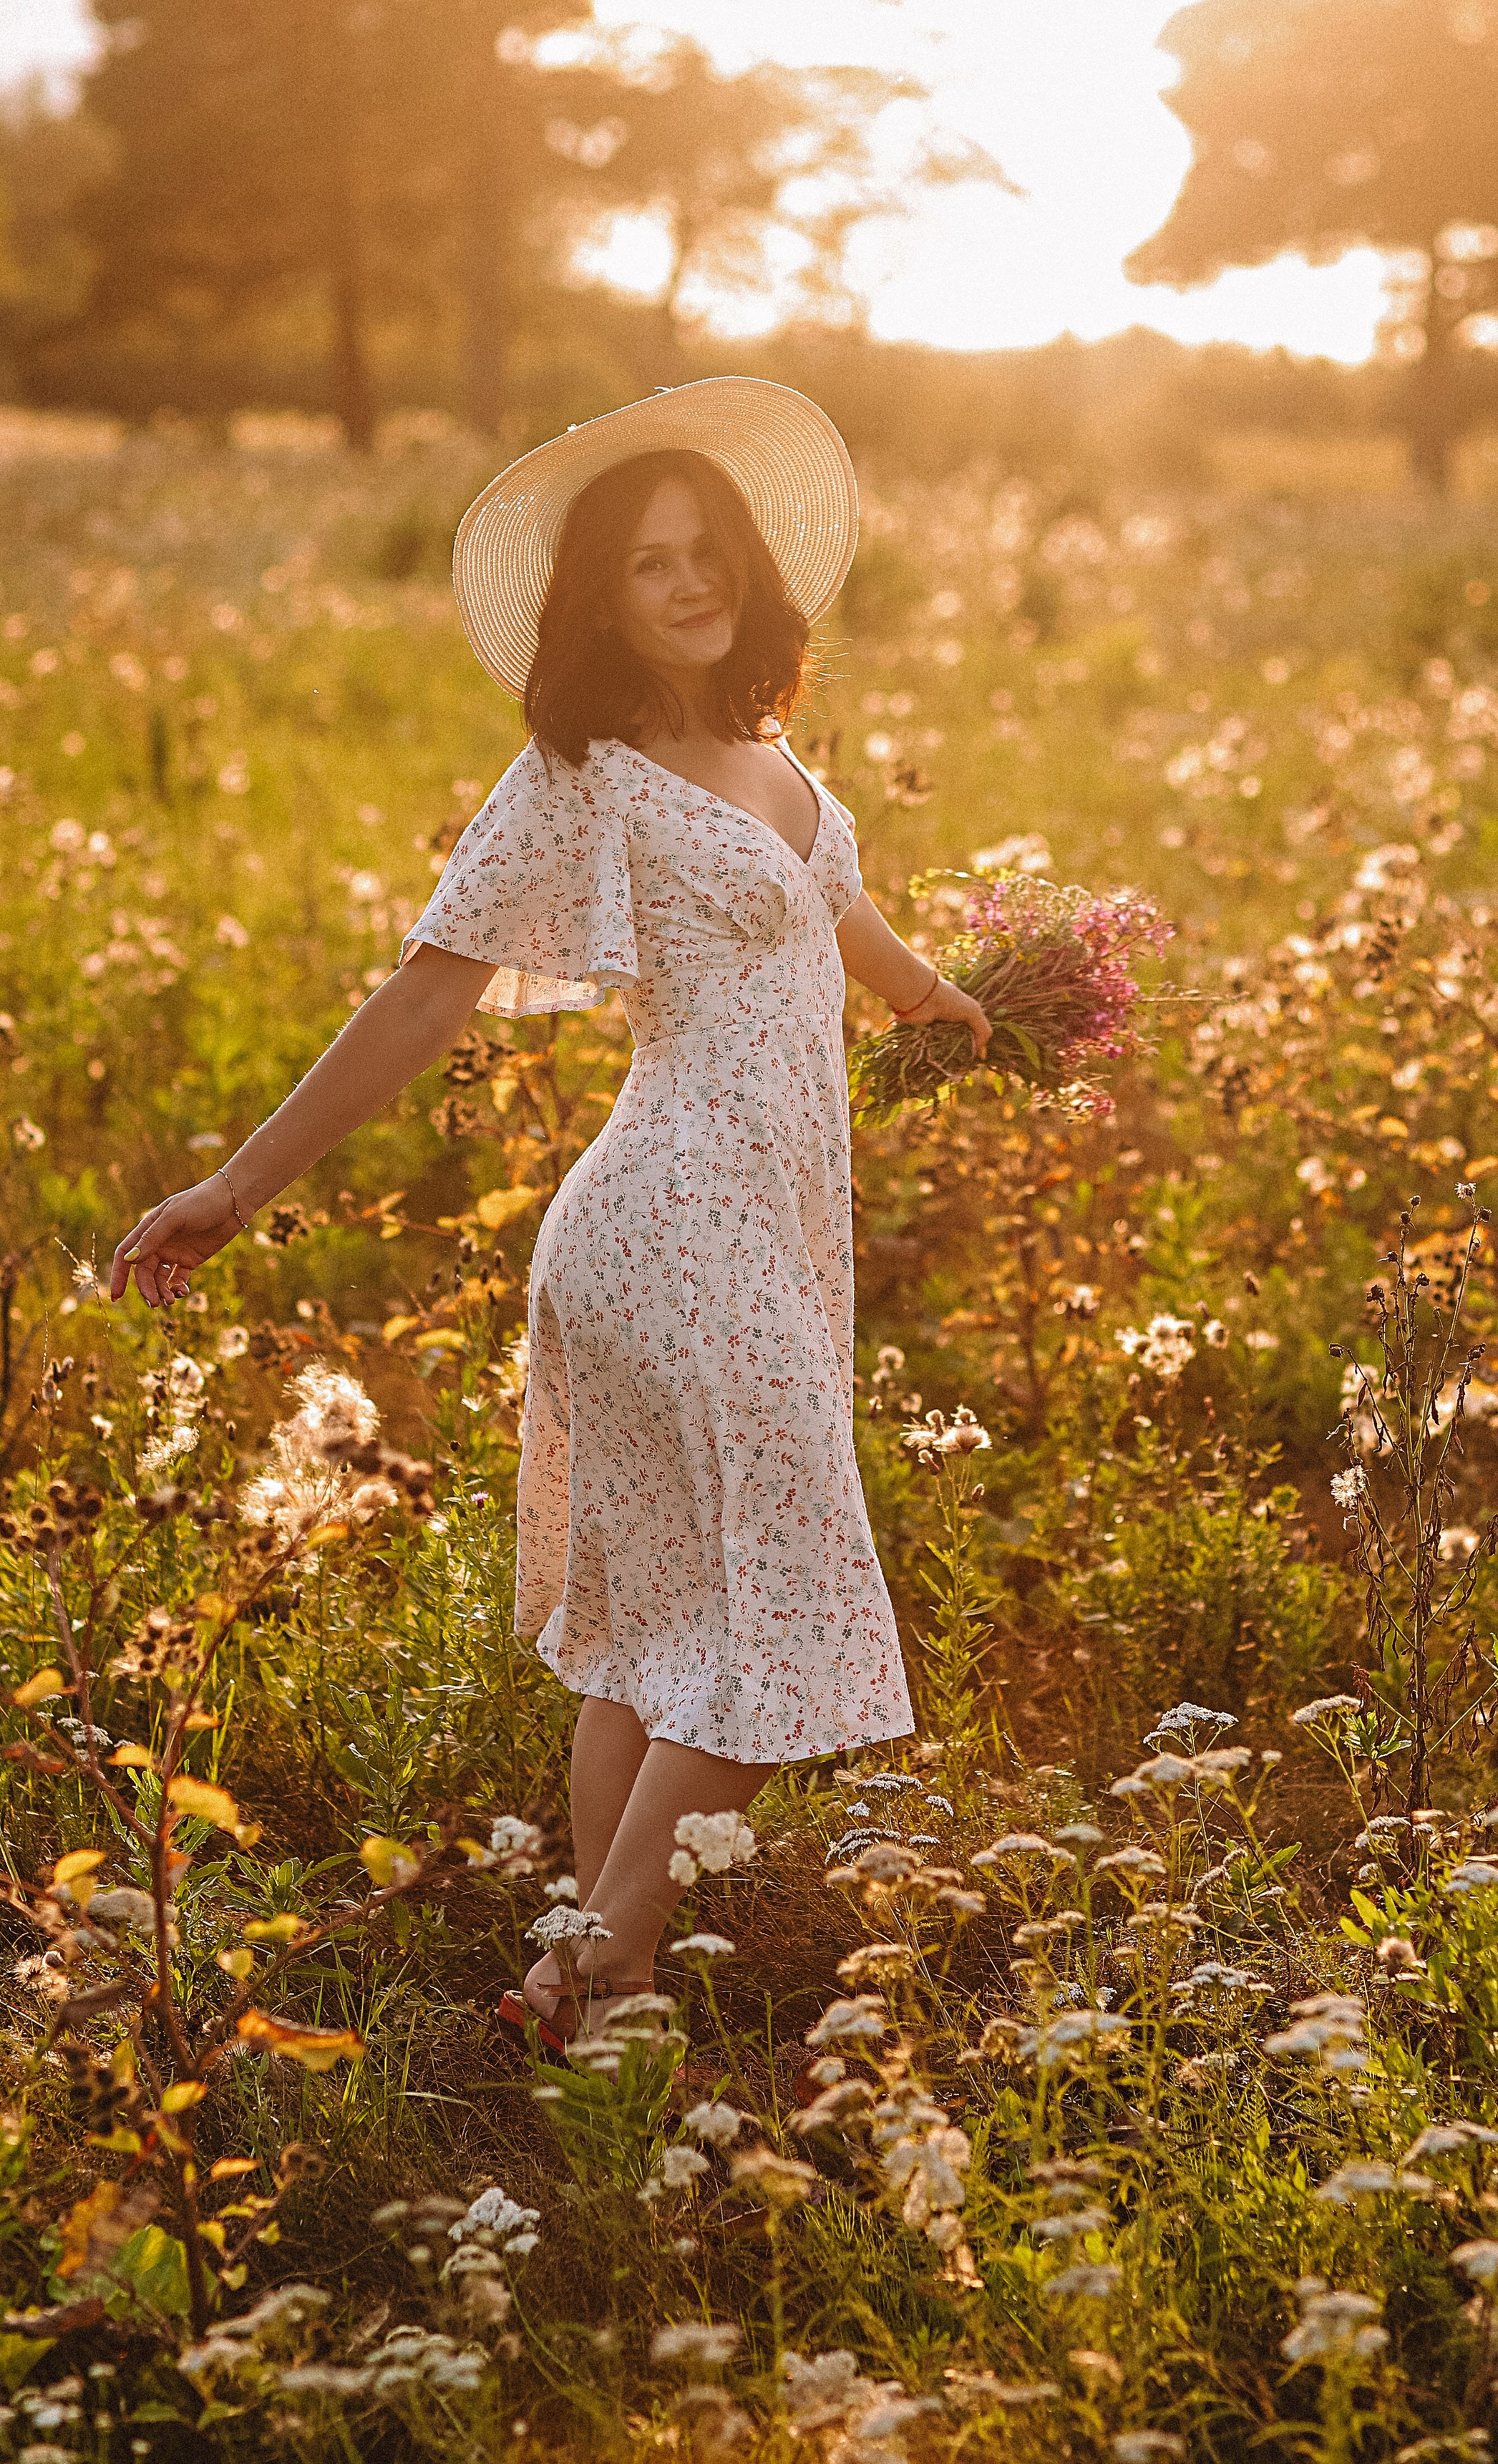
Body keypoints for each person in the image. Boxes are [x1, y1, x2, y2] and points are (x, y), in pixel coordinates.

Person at [109, 377, 990, 2050]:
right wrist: (235, 1185)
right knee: (788, 1607)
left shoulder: (762, 746)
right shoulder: (585, 770)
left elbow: (841, 913)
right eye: (645, 564)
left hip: (749, 1235)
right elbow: (426, 996)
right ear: (597, 598)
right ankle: (579, 1968)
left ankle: (610, 2006)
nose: (684, 582)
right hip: (673, 1230)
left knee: (651, 1627)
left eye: (703, 550)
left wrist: (963, 1009)